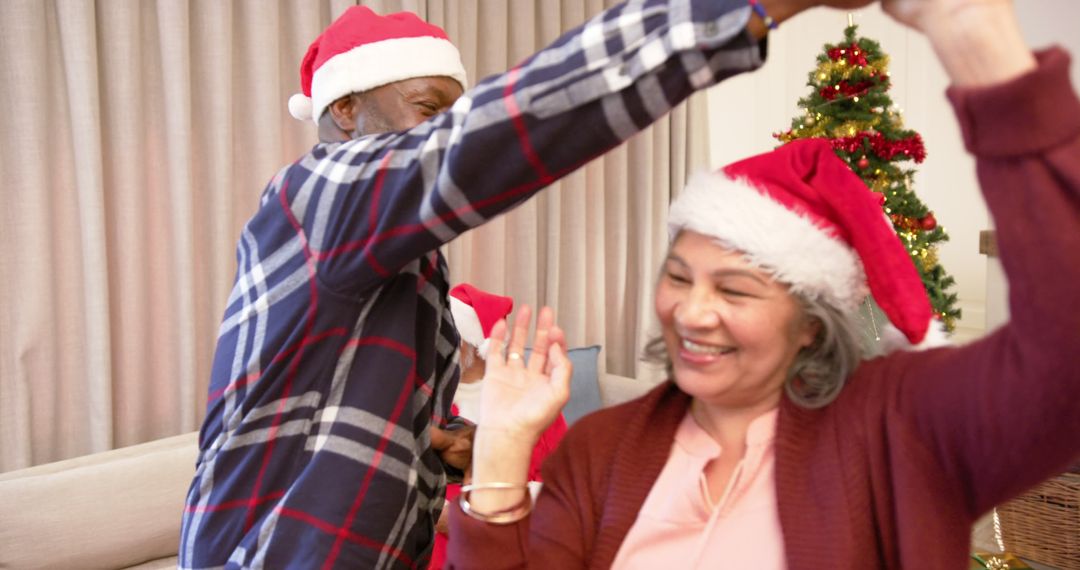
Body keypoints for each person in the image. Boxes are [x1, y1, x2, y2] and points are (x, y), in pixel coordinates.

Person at [178, 0, 876, 567]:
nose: (445, 128)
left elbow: (337, 418)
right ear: (345, 111)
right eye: (429, 109)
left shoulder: (392, 264)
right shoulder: (315, 196)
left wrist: (455, 444)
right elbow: (496, 135)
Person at [446, 1, 1080, 568]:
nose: (692, 312)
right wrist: (501, 444)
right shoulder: (603, 448)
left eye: (735, 291)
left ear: (810, 321)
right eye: (678, 277)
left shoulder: (903, 426)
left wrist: (978, 41)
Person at [428, 284, 568, 569]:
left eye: (449, 335)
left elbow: (563, 486)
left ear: (476, 343)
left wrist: (484, 512)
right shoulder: (427, 402)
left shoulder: (532, 400)